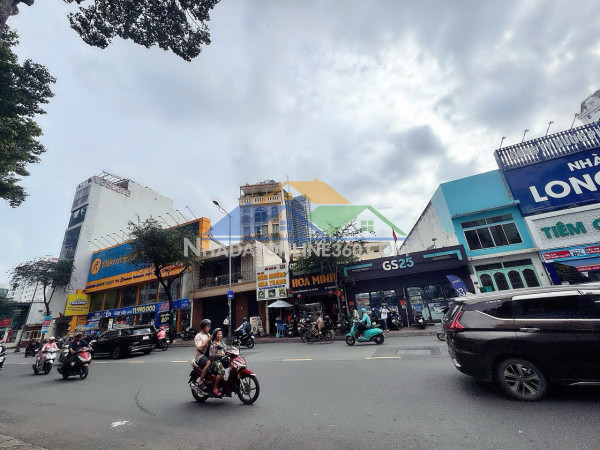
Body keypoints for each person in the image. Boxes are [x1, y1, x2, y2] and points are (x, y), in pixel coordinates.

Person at [208, 328, 229, 397]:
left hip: (223, 359)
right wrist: (219, 354)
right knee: (222, 371)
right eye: (219, 334)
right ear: (215, 335)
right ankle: (215, 388)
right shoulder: (213, 343)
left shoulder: (222, 342)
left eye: (221, 334)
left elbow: (227, 349)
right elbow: (211, 355)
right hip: (215, 361)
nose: (220, 335)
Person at [194, 319, 212, 393]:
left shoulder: (208, 335)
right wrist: (208, 339)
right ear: (203, 327)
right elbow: (200, 347)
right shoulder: (198, 336)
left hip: (208, 355)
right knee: (209, 363)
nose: (209, 328)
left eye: (209, 326)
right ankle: (201, 381)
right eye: (207, 326)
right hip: (200, 356)